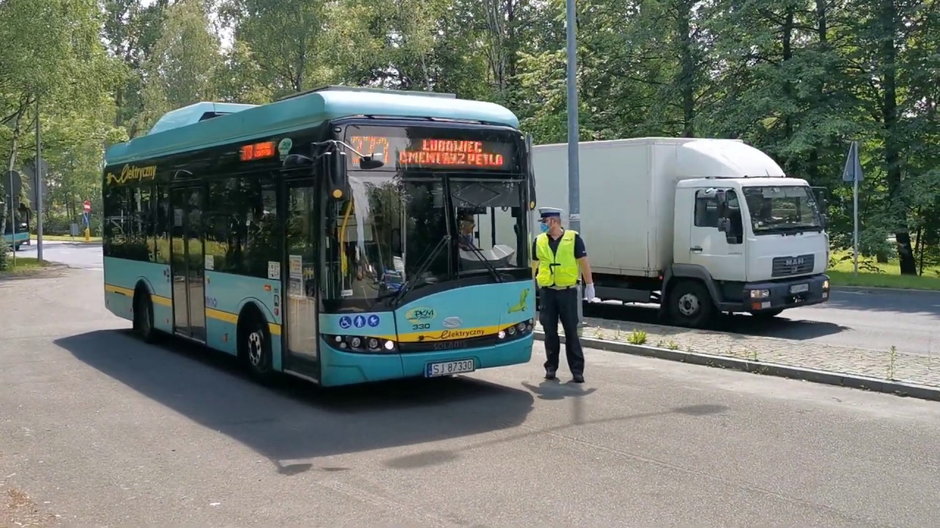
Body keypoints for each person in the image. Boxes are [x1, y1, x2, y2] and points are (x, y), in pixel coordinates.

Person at [531, 207, 595, 383]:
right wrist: (528, 287)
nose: (543, 226)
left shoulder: (573, 238)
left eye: (544, 222)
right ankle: (551, 368)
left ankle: (577, 371)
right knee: (549, 332)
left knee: (571, 332)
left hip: (567, 292)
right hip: (547, 293)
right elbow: (534, 265)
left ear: (553, 221)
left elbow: (583, 262)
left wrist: (589, 284)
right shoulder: (539, 241)